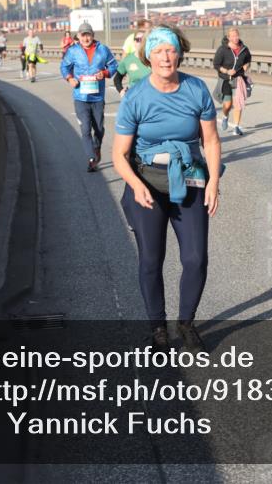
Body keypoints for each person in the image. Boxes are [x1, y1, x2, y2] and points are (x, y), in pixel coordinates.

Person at [112, 25, 221, 352]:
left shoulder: (196, 89)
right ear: (148, 56)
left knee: (196, 258)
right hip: (147, 182)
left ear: (180, 53)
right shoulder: (136, 96)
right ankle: (157, 328)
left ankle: (185, 324)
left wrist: (214, 180)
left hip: (189, 179)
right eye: (158, 51)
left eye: (171, 50)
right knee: (150, 259)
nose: (165, 57)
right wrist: (134, 184)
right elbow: (118, 154)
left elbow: (211, 141)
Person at [60, 22, 118, 172]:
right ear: (78, 36)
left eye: (88, 35)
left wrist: (104, 73)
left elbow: (113, 65)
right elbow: (64, 66)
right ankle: (91, 158)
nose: (86, 38)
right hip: (80, 97)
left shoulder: (103, 50)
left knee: (98, 128)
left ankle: (97, 147)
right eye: (83, 35)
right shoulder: (73, 51)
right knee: (85, 129)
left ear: (93, 35)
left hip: (98, 97)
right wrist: (70, 78)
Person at [212, 27, 252, 136]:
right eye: (233, 36)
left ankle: (236, 127)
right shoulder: (223, 49)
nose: (235, 38)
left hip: (238, 79)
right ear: (228, 37)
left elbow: (248, 60)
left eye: (237, 35)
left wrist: (246, 66)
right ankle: (225, 116)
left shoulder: (244, 49)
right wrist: (226, 71)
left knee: (238, 103)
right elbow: (216, 64)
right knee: (228, 104)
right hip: (225, 79)